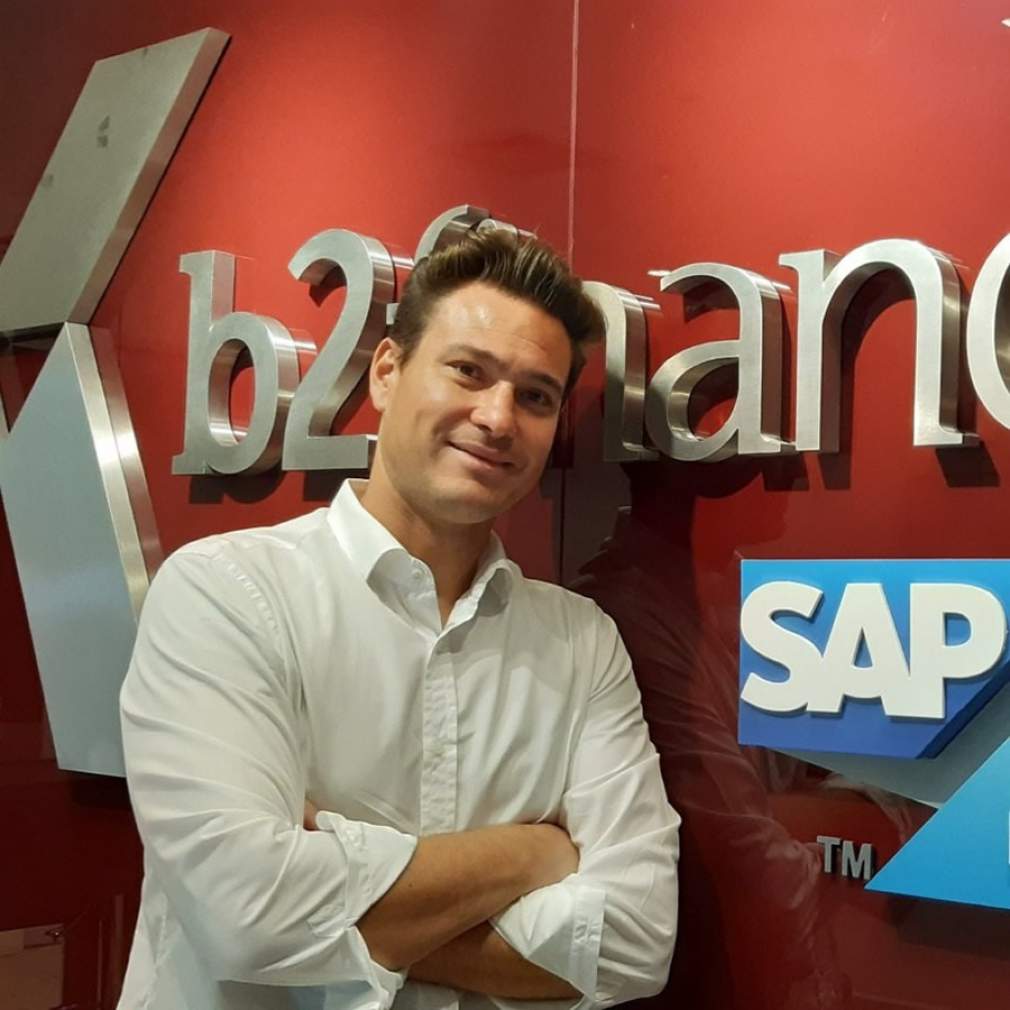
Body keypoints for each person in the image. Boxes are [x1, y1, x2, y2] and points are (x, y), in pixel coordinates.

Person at [117, 230, 680, 1010]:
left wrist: (348, 895)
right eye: (468, 371)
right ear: (386, 371)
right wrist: (531, 854)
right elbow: (244, 917)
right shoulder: (229, 591)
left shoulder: (581, 643)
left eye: (535, 396)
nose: (497, 417)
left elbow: (636, 944)